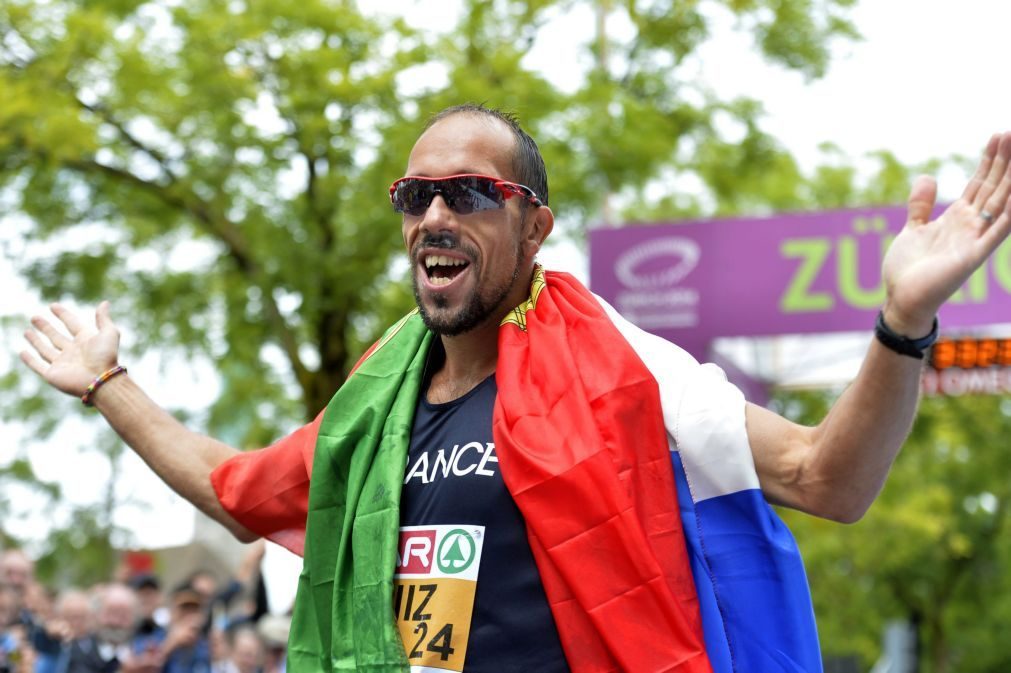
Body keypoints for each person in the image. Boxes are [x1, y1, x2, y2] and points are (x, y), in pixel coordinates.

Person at [19, 104, 1011, 672]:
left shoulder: (626, 368)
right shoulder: (378, 402)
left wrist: (904, 324)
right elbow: (236, 491)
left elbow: (826, 476)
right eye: (416, 196)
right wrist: (108, 382)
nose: (435, 214)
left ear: (534, 226)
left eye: (471, 193)